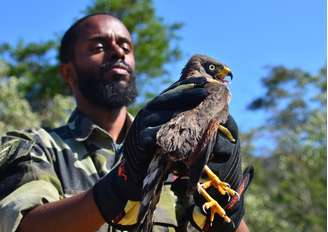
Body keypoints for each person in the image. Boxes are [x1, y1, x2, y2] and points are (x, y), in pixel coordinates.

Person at [0, 13, 252, 232]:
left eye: (125, 46)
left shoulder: (178, 138)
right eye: (98, 46)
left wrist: (230, 209)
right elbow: (25, 226)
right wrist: (117, 186)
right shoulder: (33, 147)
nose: (117, 51)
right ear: (68, 73)